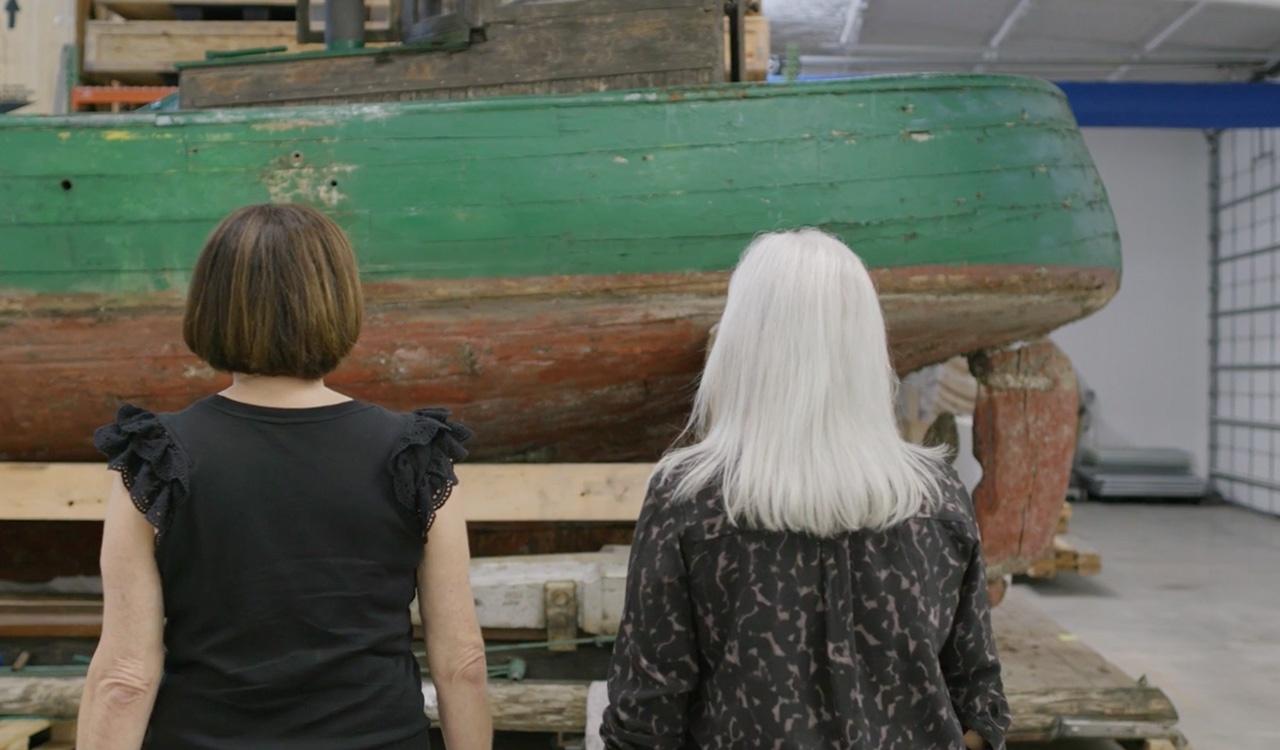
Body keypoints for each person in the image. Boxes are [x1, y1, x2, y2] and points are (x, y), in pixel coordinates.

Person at [77, 204, 493, 749]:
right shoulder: (415, 454)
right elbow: (461, 663)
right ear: (339, 303)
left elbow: (125, 678)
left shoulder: (156, 458)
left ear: (211, 305)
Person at [600, 229, 1010, 749]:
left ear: (741, 343)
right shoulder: (938, 497)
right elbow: (981, 705)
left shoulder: (689, 499)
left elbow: (646, 719)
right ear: (866, 345)